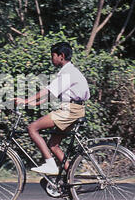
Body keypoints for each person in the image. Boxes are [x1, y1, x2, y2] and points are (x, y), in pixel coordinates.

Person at [14, 42, 90, 175]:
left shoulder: (68, 73)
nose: (51, 59)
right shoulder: (69, 71)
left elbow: (47, 90)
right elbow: (54, 94)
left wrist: (25, 100)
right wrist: (35, 103)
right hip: (75, 109)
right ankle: (71, 179)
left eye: (53, 56)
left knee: (32, 128)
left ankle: (50, 165)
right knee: (53, 145)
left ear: (61, 56)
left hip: (69, 110)